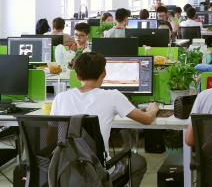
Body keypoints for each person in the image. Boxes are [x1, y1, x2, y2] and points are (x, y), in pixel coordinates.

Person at [51, 52, 158, 187]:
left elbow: (50, 138)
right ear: (104, 74)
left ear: (77, 76)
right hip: (97, 172)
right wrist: (153, 109)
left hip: (65, 173)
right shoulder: (113, 96)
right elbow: (147, 120)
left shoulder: (60, 98)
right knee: (138, 162)